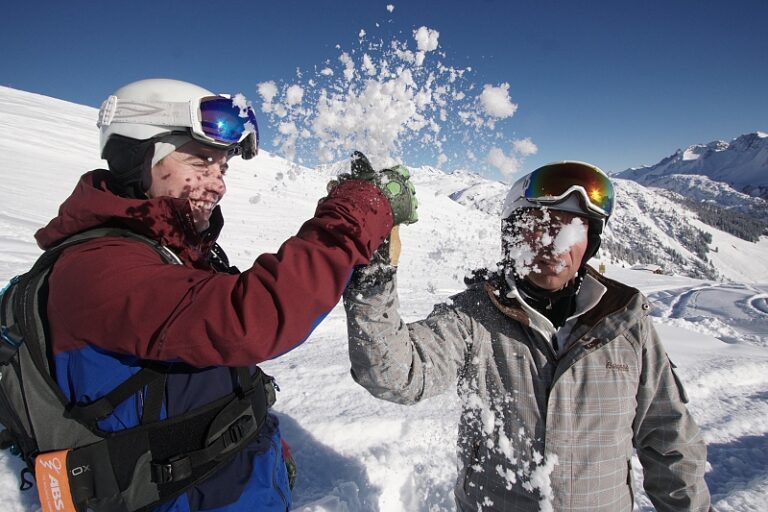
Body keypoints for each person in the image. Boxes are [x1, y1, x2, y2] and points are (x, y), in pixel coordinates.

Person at [33, 78, 416, 511]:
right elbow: (255, 318)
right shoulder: (98, 269)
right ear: (137, 157)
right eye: (200, 161)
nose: (218, 185)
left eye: (223, 168)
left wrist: (259, 441)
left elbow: (203, 374)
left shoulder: (169, 253)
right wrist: (357, 211)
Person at [343, 161, 711, 511]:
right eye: (541, 223)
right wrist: (374, 272)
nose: (556, 242)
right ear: (513, 233)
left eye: (574, 227)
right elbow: (397, 374)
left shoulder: (624, 321)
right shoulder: (474, 317)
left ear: (591, 242)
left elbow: (670, 437)